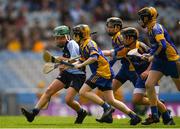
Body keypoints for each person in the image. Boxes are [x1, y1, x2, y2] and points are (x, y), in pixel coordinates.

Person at [72, 24, 141, 125]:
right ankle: (134, 116)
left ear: (82, 35)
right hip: (106, 72)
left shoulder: (89, 44)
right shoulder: (82, 46)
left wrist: (81, 64)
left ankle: (106, 108)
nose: (74, 37)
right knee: (111, 100)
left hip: (101, 72)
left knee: (83, 91)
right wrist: (74, 64)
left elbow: (94, 58)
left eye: (76, 35)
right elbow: (82, 59)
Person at [21, 25, 87, 124]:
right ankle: (32, 114)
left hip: (78, 74)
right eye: (57, 38)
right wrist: (61, 66)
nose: (58, 40)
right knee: (48, 91)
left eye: (61, 38)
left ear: (67, 36)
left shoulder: (71, 44)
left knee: (68, 100)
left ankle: (81, 112)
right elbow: (68, 62)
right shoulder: (65, 46)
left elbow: (77, 60)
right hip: (67, 73)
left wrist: (60, 60)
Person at [120, 27, 174, 125]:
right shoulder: (125, 48)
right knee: (136, 100)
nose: (122, 39)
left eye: (124, 37)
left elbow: (154, 58)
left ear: (131, 38)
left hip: (150, 75)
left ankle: (168, 118)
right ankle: (160, 106)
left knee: (151, 99)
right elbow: (113, 53)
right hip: (141, 77)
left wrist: (148, 71)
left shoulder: (141, 46)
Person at [137, 7, 179, 125]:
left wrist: (152, 56)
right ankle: (155, 115)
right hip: (160, 61)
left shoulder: (156, 28)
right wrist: (149, 53)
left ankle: (164, 116)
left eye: (142, 17)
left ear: (149, 17)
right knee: (149, 85)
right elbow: (157, 47)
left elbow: (163, 45)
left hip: (172, 61)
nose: (140, 20)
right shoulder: (150, 29)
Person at [103, 17, 138, 100]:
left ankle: (159, 106)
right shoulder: (115, 37)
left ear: (117, 27)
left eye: (111, 27)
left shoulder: (120, 37)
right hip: (125, 68)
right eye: (108, 27)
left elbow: (122, 52)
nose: (108, 29)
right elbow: (117, 55)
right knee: (110, 90)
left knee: (141, 94)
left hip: (133, 68)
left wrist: (109, 63)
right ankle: (108, 111)